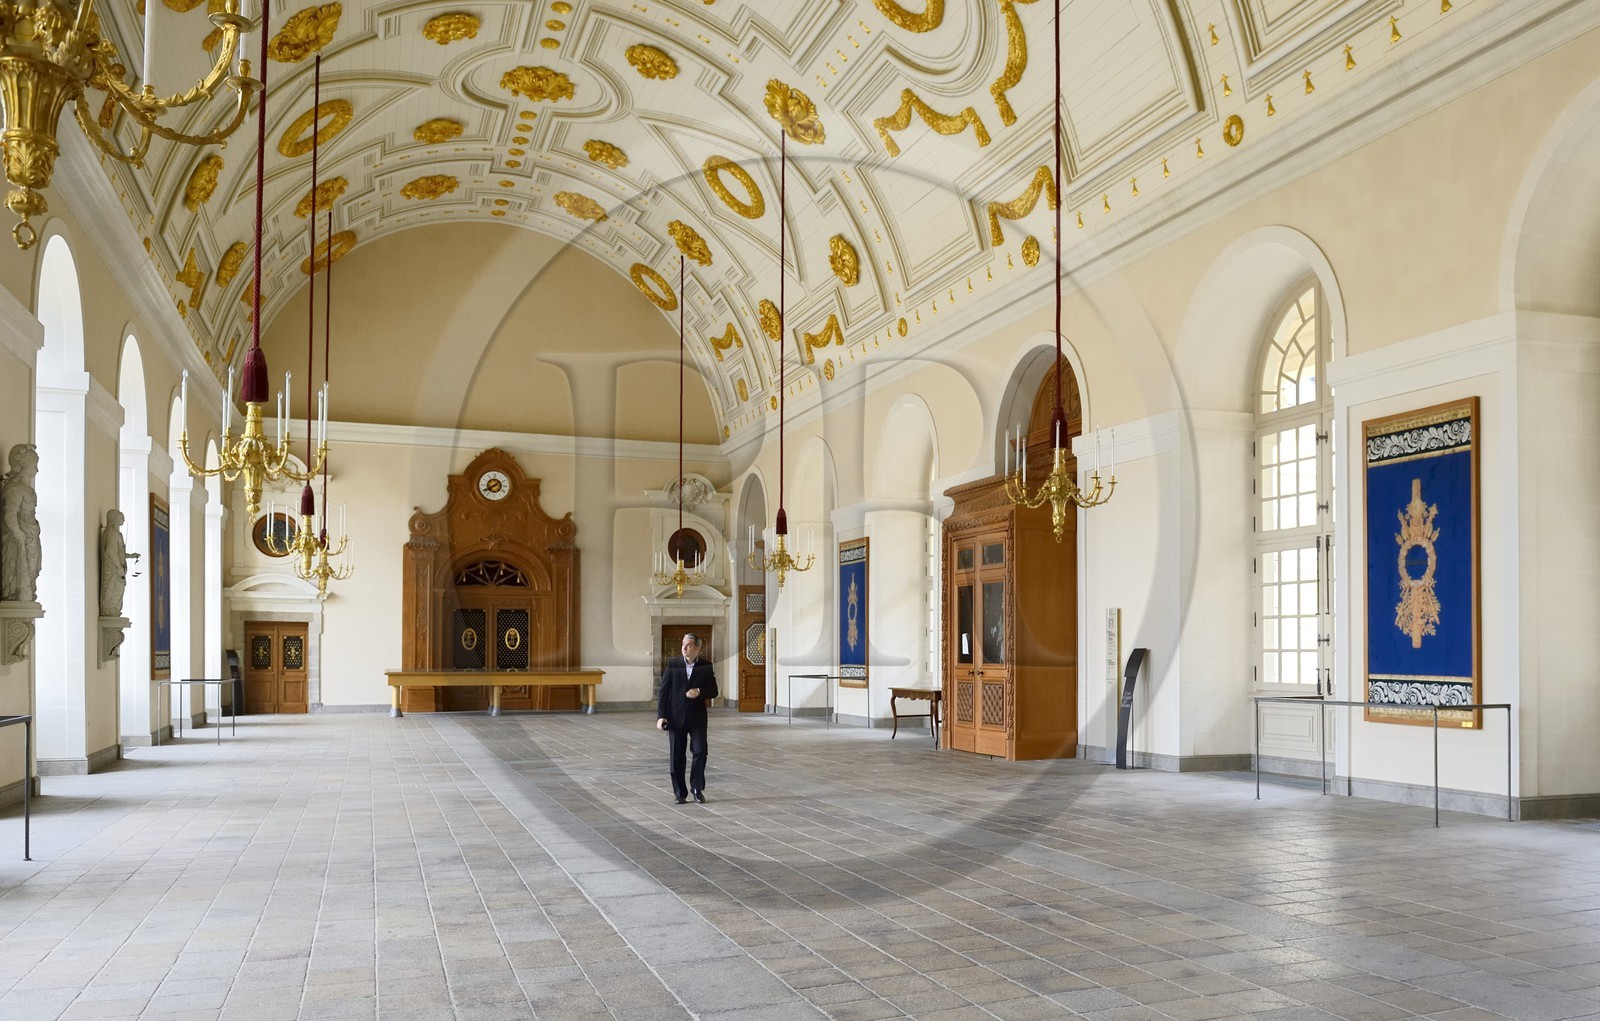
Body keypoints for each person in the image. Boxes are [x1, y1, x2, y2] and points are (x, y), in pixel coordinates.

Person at [656, 632, 718, 804]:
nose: (684, 647)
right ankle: (679, 793)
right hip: (675, 718)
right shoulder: (673, 664)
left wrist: (699, 691)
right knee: (677, 756)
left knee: (700, 752)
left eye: (689, 645)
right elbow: (663, 693)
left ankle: (697, 789)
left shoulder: (706, 665)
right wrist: (661, 716)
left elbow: (714, 691)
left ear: (697, 648)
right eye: (683, 644)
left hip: (697, 718)